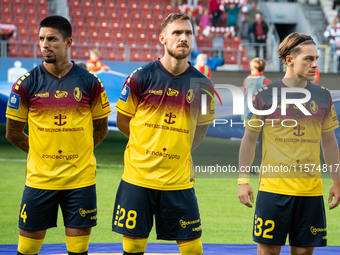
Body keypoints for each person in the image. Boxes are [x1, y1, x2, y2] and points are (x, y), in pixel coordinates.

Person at [5, 15, 111, 255]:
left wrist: (81, 151)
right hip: (40, 181)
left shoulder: (90, 82)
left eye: (52, 39)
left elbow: (101, 128)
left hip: (80, 182)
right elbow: (13, 133)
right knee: (27, 251)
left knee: (78, 251)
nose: (45, 44)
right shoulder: (26, 84)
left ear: (68, 42)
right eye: (41, 39)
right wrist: (41, 154)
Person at [112, 13, 215, 255]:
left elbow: (201, 128)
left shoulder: (204, 85)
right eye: (177, 33)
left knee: (192, 248)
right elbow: (123, 120)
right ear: (162, 39)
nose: (183, 38)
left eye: (188, 33)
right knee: (134, 246)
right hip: (138, 178)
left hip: (178, 180)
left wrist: (180, 150)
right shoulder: (141, 77)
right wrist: (145, 146)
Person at [238, 32, 340, 255]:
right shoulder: (264, 95)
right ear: (290, 60)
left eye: (316, 59)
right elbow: (249, 138)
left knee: (303, 253)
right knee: (268, 252)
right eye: (308, 59)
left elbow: (329, 141)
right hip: (273, 190)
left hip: (311, 192)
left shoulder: (323, 96)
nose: (315, 64)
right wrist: (243, 179)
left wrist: (337, 180)